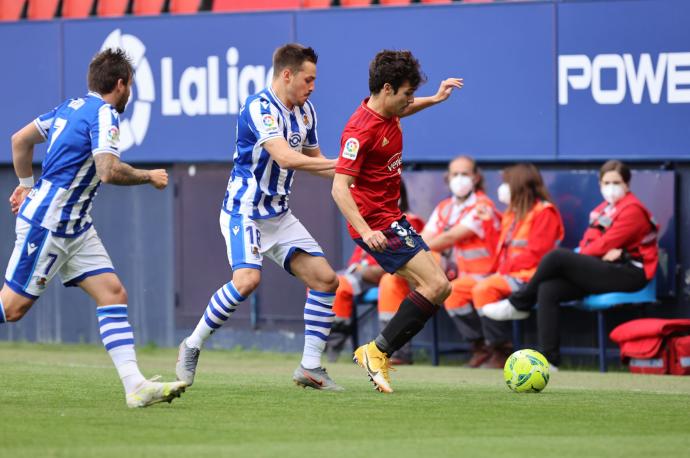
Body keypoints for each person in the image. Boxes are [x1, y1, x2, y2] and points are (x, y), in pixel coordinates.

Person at [0, 48, 186, 408]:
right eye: (130, 85)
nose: (130, 93)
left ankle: (135, 386)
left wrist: (25, 184)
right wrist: (149, 175)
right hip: (50, 224)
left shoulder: (70, 108)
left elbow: (19, 140)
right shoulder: (105, 114)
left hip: (76, 226)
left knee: (113, 294)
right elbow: (108, 170)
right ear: (121, 84)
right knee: (11, 309)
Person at [176, 44, 342, 391]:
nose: (312, 87)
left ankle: (310, 367)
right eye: (308, 80)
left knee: (326, 280)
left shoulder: (307, 111)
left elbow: (316, 159)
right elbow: (286, 158)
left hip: (278, 216)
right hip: (244, 212)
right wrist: (347, 164)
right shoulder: (260, 107)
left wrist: (351, 177)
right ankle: (192, 345)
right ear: (287, 75)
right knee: (247, 281)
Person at [331, 49, 463, 393]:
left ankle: (377, 351)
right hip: (377, 223)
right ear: (387, 89)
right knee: (435, 286)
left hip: (392, 217)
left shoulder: (390, 112)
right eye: (407, 94)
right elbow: (339, 189)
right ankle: (377, 352)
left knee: (440, 287)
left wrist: (434, 99)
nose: (410, 101)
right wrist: (365, 231)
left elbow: (405, 108)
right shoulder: (359, 131)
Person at [483, 160, 658, 368]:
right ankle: (550, 360)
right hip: (604, 268)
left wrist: (601, 250)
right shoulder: (603, 210)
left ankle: (519, 302)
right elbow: (590, 243)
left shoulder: (633, 210)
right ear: (600, 184)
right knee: (549, 289)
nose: (611, 187)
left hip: (631, 273)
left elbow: (604, 244)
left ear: (627, 184)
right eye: (606, 182)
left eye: (616, 182)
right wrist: (599, 250)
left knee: (556, 257)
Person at [444, 163, 564, 368]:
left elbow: (538, 255)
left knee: (485, 288)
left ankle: (502, 350)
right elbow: (498, 249)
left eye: (507, 183)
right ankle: (481, 346)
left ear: (518, 185)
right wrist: (490, 223)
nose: (503, 188)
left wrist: (503, 267)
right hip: (505, 274)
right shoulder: (512, 213)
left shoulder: (544, 212)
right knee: (453, 291)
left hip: (529, 277)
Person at [325, 179, 422, 364]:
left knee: (389, 280)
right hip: (365, 276)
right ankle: (332, 348)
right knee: (333, 282)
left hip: (398, 274)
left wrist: (375, 269)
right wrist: (361, 269)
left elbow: (412, 258)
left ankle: (395, 350)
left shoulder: (411, 220)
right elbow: (356, 262)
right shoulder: (366, 222)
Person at [420, 155, 501, 367]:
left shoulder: (483, 205)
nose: (459, 178)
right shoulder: (445, 207)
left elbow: (450, 237)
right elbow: (425, 237)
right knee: (433, 273)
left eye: (464, 174)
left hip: (486, 273)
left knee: (453, 292)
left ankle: (493, 348)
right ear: (448, 177)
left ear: (475, 177)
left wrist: (420, 250)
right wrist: (416, 252)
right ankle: (480, 347)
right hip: (458, 274)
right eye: (455, 174)